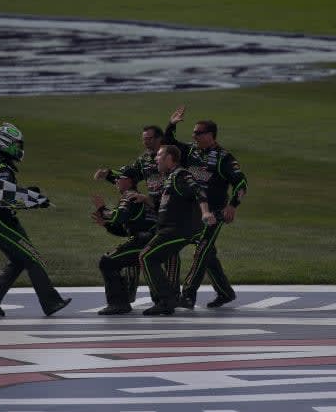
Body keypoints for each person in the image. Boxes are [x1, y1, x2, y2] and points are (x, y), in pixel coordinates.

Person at [0, 122, 71, 317]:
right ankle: (51, 302)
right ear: (6, 144)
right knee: (34, 259)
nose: (20, 149)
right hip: (0, 222)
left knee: (19, 260)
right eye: (17, 144)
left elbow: (2, 193)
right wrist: (35, 200)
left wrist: (31, 196)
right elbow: (6, 199)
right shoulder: (4, 169)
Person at [163, 106, 248, 309]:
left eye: (198, 133)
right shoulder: (191, 150)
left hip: (214, 214)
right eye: (193, 132)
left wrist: (232, 206)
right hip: (192, 212)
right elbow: (169, 144)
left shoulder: (224, 158)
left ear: (210, 135)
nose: (194, 136)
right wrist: (171, 125)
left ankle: (188, 295)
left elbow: (241, 183)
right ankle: (225, 292)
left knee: (201, 251)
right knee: (207, 253)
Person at [139, 145, 215, 316]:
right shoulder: (170, 177)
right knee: (150, 258)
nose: (155, 159)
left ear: (169, 158)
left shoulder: (181, 174)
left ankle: (167, 300)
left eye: (159, 156)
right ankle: (167, 298)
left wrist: (205, 212)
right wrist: (145, 199)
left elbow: (199, 191)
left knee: (146, 257)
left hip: (177, 229)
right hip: (169, 229)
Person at [91, 172, 162, 315]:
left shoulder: (129, 196)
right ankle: (158, 299)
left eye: (120, 178)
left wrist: (102, 209)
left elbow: (119, 216)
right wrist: (106, 224)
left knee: (107, 261)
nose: (116, 180)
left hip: (144, 242)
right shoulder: (134, 196)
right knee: (115, 260)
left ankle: (119, 304)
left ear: (129, 181)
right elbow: (125, 230)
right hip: (149, 241)